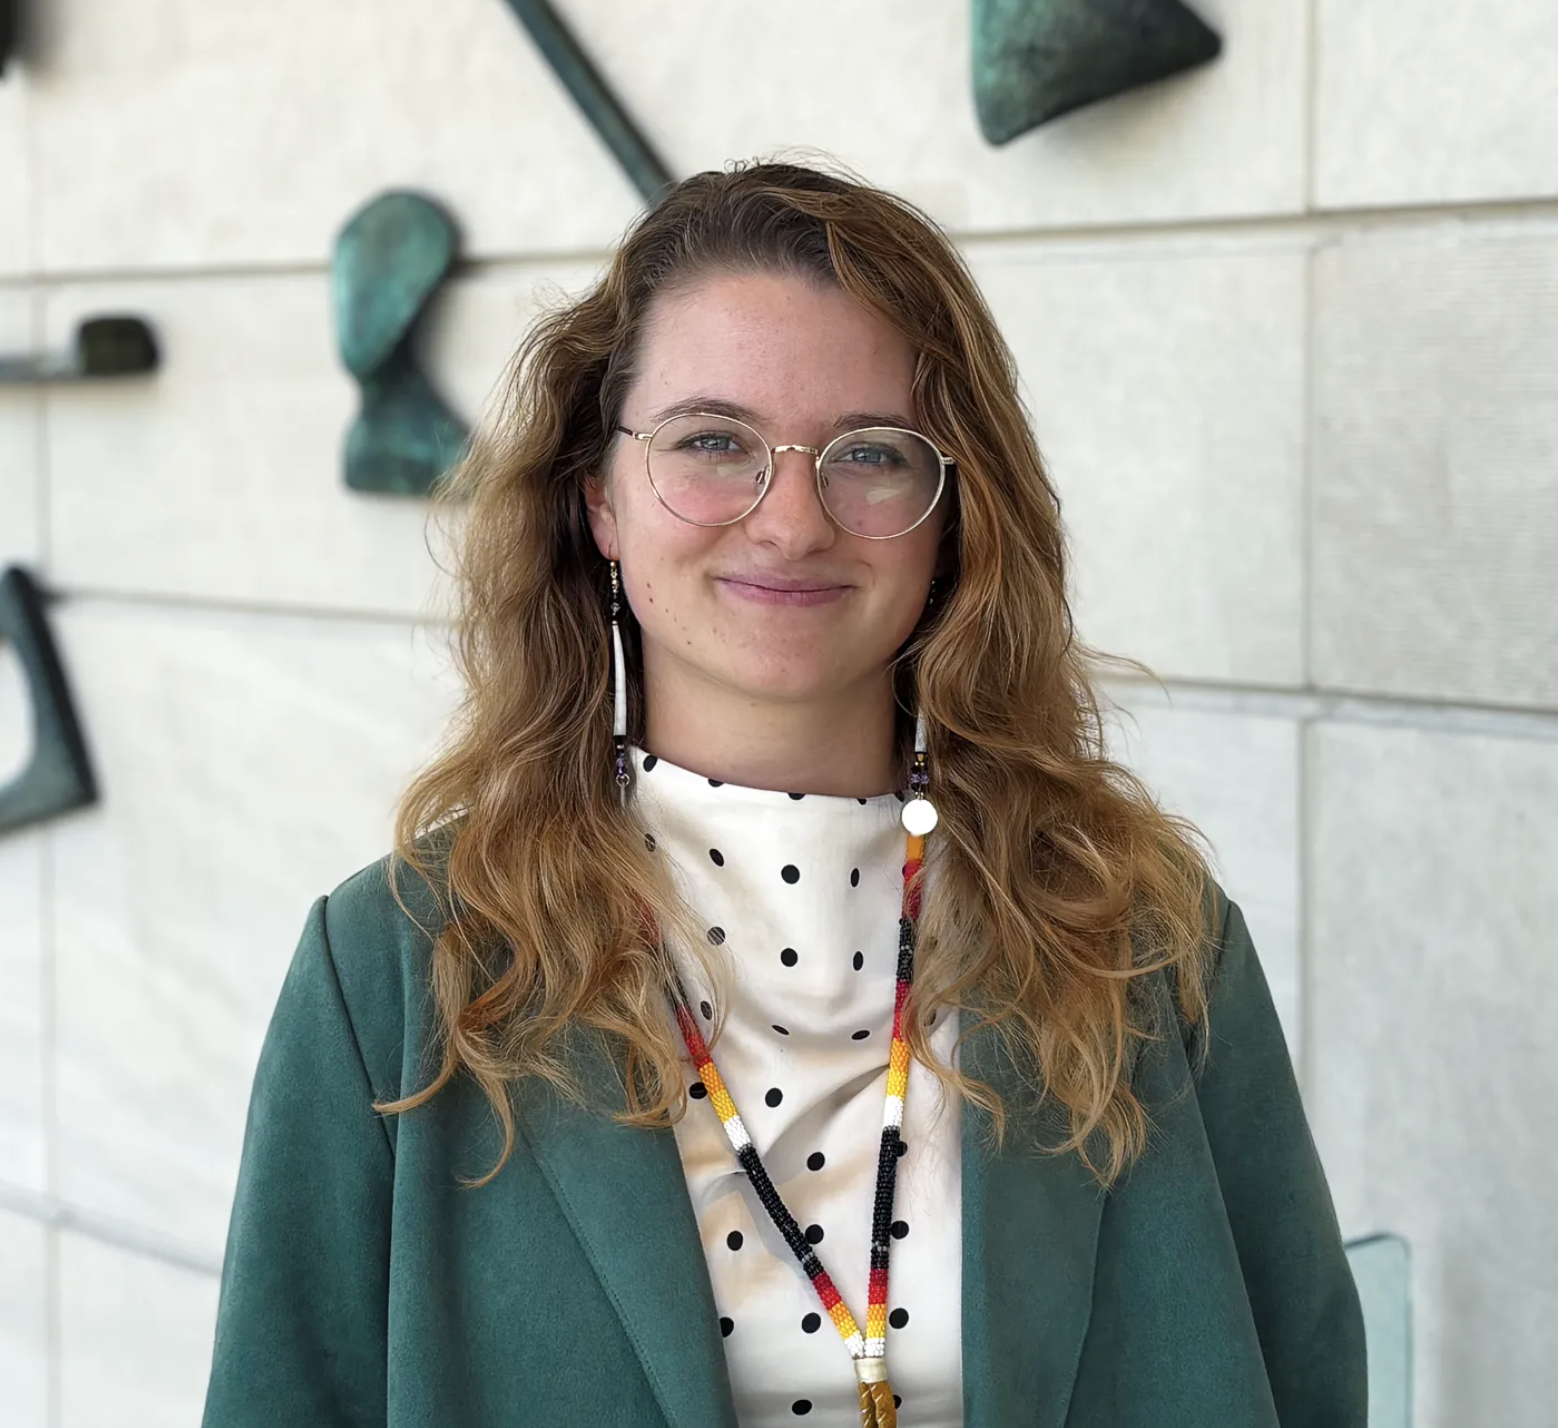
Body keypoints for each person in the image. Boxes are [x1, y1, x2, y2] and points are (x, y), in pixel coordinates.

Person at [200, 160, 1366, 1428]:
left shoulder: (1144, 940)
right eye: (713, 443)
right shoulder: (391, 972)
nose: (791, 520)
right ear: (596, 497)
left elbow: (1303, 1383)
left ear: (951, 511)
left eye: (869, 454)